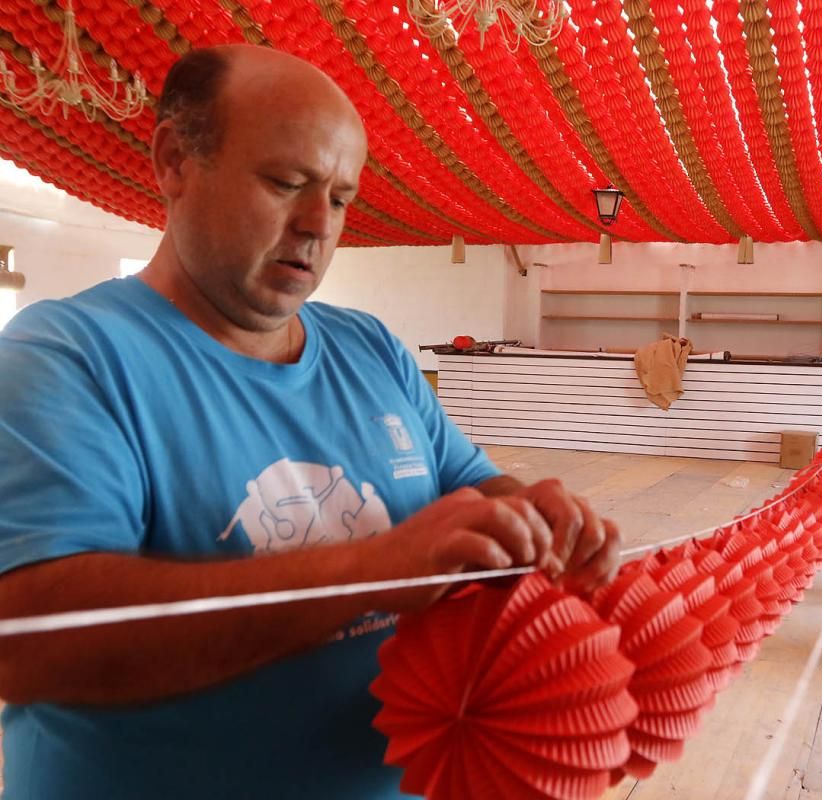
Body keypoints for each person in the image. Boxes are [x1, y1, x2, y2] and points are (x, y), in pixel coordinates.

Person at [0, 45, 620, 800]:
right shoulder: (68, 356)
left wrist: (535, 517)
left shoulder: (371, 350)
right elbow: (30, 637)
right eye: (285, 182)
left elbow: (471, 487)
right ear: (174, 161)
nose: (315, 224)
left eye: (339, 197)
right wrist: (369, 569)